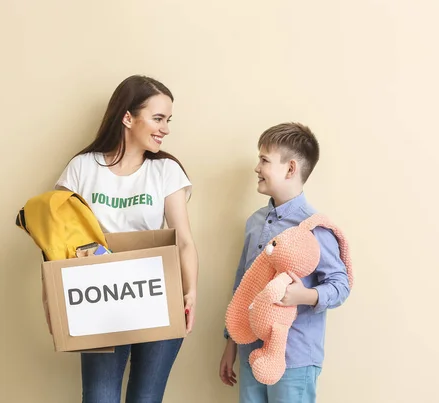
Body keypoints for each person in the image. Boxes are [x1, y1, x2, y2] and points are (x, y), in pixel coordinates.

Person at [55, 74, 198, 403]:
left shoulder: (166, 171)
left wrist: (190, 291)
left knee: (146, 399)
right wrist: (54, 301)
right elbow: (57, 240)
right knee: (99, 398)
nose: (165, 128)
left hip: (158, 297)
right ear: (127, 117)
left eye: (168, 120)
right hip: (99, 299)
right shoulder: (82, 168)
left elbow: (185, 240)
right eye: (158, 118)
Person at [219, 122, 351, 403]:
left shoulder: (314, 227)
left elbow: (341, 285)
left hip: (296, 356)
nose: (256, 167)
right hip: (250, 351)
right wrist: (231, 341)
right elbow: (242, 287)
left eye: (264, 160)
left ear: (291, 169)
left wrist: (302, 296)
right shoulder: (254, 222)